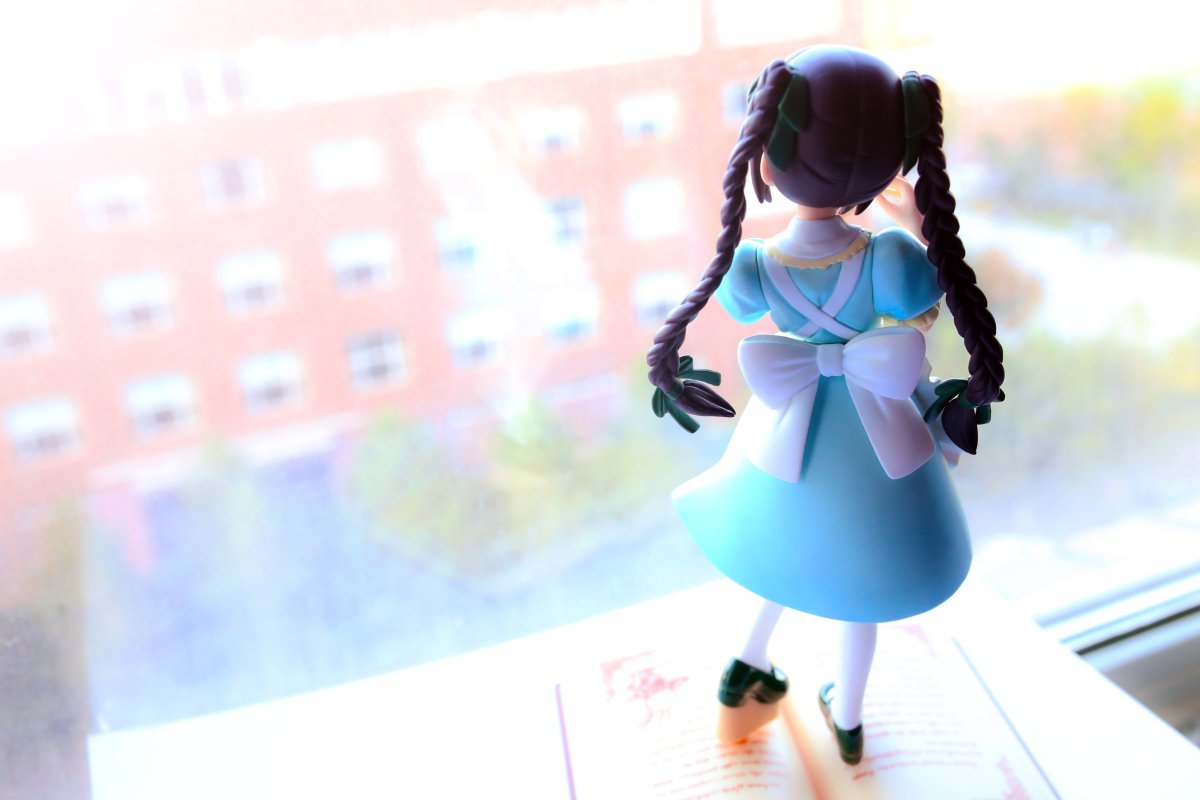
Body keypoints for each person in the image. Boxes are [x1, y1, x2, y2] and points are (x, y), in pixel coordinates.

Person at [646, 45, 1005, 765]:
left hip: (788, 430)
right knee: (860, 584)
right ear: (895, 159)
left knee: (779, 550)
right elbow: (917, 309)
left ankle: (745, 670)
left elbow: (742, 307)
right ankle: (849, 716)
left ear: (765, 149)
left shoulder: (753, 265)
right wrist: (915, 225)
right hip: (879, 433)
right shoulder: (891, 256)